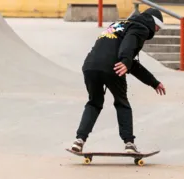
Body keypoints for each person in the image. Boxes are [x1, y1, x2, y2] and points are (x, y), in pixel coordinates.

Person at [70, 8, 167, 153]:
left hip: (90, 65)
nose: (156, 32)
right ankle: (129, 143)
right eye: (157, 28)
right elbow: (128, 44)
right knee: (122, 103)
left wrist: (153, 82)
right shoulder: (141, 28)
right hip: (113, 66)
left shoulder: (118, 25)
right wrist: (125, 60)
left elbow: (132, 63)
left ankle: (79, 140)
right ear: (152, 22)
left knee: (94, 102)